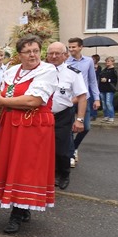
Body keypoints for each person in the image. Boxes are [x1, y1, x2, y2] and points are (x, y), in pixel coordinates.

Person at [0, 34, 57, 234]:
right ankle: (23, 207)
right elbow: (1, 94)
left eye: (36, 51)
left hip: (34, 127)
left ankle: (17, 214)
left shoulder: (47, 70)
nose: (33, 55)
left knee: (26, 167)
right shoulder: (12, 71)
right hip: (11, 124)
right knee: (12, 165)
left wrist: (2, 102)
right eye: (28, 52)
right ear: (19, 54)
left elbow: (34, 100)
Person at [46, 42, 87, 191]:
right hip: (43, 114)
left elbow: (82, 96)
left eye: (57, 53)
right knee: (43, 148)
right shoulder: (41, 70)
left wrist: (80, 120)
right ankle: (49, 174)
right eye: (51, 53)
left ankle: (64, 174)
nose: (54, 56)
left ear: (65, 55)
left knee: (61, 149)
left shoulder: (72, 73)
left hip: (62, 115)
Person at [66, 38, 100, 167]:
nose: (71, 49)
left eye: (74, 47)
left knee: (85, 127)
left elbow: (92, 80)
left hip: (84, 98)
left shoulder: (88, 61)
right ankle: (70, 154)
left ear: (81, 47)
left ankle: (74, 147)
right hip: (70, 99)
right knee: (69, 128)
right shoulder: (66, 61)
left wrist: (97, 98)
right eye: (70, 47)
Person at [98, 56, 118, 123]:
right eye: (106, 61)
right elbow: (100, 77)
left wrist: (107, 80)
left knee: (108, 103)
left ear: (112, 62)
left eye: (108, 61)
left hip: (110, 89)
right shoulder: (104, 70)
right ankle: (106, 116)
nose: (107, 62)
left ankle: (111, 117)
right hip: (102, 88)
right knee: (104, 104)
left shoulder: (114, 70)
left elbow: (116, 80)